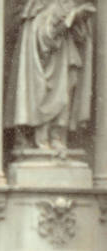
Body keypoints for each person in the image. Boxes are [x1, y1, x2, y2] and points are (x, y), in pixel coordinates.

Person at [6, 0, 96, 153]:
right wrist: (71, 18)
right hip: (48, 65)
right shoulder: (38, 10)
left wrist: (79, 19)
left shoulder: (64, 5)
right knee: (47, 94)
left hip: (64, 60)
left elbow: (80, 37)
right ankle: (42, 137)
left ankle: (57, 136)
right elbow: (46, 37)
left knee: (66, 91)